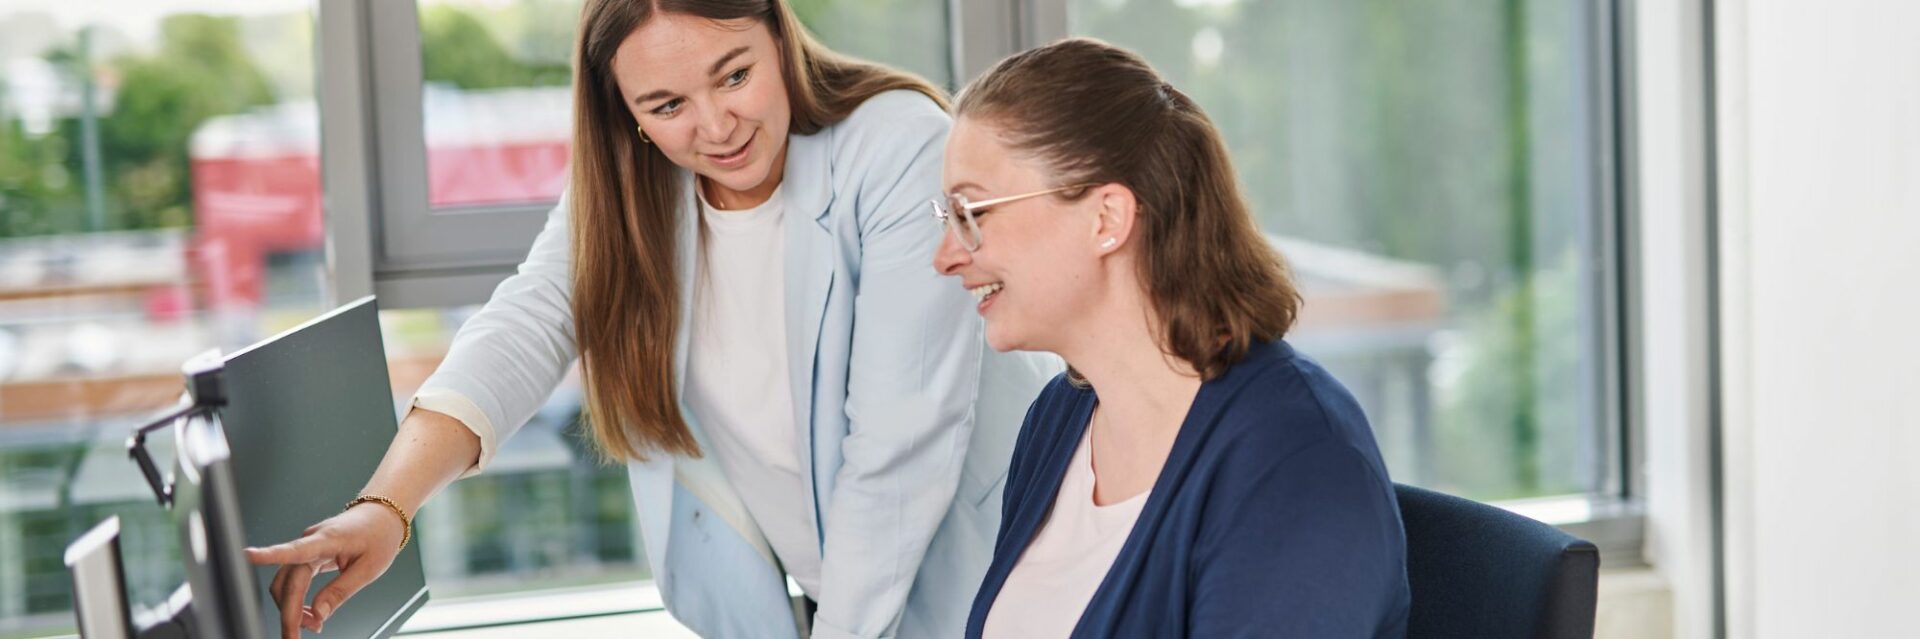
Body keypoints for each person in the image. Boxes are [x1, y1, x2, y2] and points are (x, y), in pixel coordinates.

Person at [245, 1, 1056, 638]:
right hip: (841, 602)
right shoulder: (639, 194)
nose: (714, 126)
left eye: (734, 75)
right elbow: (524, 327)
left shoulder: (896, 145)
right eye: (666, 104)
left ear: (777, 32)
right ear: (625, 113)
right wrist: (386, 506)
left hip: (1013, 579)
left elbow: (899, 445)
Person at [932, 38, 1411, 637]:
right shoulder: (1059, 419)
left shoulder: (1298, 460)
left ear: (1106, 219)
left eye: (972, 213)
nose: (946, 256)